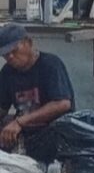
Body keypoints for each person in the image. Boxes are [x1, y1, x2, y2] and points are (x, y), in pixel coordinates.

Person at [0, 23, 75, 163]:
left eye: (14, 50)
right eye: (5, 54)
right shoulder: (7, 73)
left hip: (53, 132)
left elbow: (63, 104)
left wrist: (20, 122)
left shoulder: (50, 65)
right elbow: (2, 107)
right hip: (25, 134)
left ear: (28, 43)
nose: (10, 57)